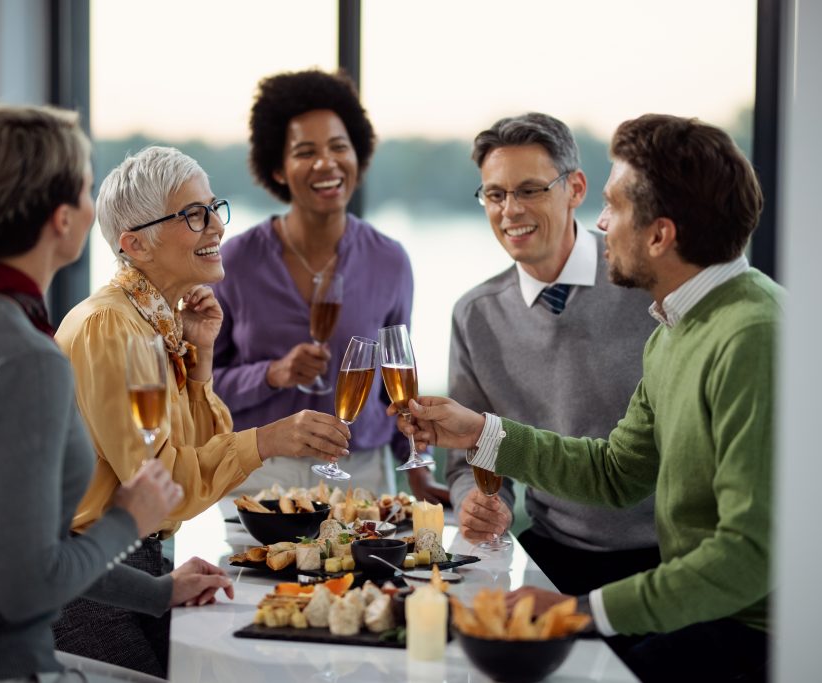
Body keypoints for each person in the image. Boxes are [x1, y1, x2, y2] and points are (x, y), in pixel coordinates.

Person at [0, 105, 232, 681]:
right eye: (84, 189)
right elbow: (24, 587)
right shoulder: (28, 360)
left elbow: (22, 547)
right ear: (61, 219)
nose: (91, 205)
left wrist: (156, 592)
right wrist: (128, 520)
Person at [397, 114, 779, 683]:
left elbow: (747, 558)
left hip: (749, 627)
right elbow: (615, 472)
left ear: (659, 234)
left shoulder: (752, 334)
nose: (602, 224)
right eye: (496, 193)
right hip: (693, 606)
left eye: (614, 206)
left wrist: (580, 612)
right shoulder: (678, 325)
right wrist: (480, 433)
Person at [51, 145, 350, 675]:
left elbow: (189, 452)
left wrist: (203, 355)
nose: (216, 226)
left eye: (214, 208)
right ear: (134, 243)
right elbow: (164, 492)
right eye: (194, 214)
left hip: (132, 567)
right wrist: (269, 440)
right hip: (85, 585)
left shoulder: (152, 322)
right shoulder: (110, 326)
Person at [444, 113, 659, 596]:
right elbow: (468, 455)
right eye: (495, 194)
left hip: (666, 555)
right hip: (551, 555)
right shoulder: (475, 315)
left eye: (530, 190)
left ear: (576, 188)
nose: (510, 210)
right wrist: (475, 498)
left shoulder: (649, 282)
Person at [212, 68, 448, 502]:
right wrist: (272, 374)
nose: (326, 162)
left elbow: (396, 390)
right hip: (259, 474)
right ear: (278, 170)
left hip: (362, 475)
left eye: (340, 147)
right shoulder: (235, 262)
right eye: (305, 151)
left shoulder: (389, 260)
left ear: (357, 156)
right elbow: (201, 388)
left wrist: (420, 471)